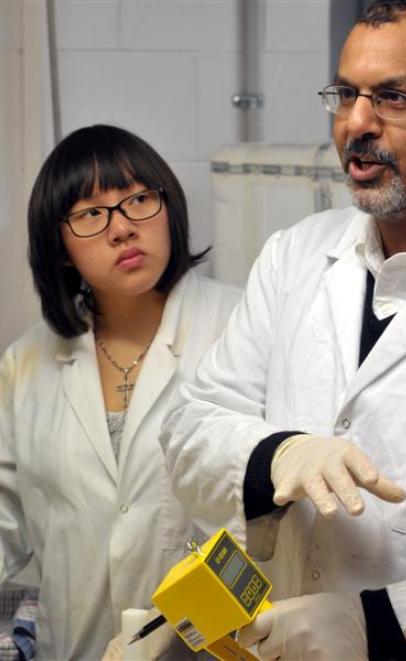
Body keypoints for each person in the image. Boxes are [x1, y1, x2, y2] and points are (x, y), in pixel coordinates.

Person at [160, 0, 406, 658]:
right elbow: (192, 426)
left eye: (393, 97)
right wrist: (272, 454)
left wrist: (383, 625)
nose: (356, 123)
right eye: (346, 94)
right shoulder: (295, 256)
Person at [0, 123, 240, 660]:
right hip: (73, 646)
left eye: (138, 200)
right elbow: (5, 518)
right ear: (59, 247)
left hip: (211, 649)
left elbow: (266, 528)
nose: (123, 229)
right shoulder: (26, 362)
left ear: (169, 207)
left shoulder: (241, 328)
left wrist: (188, 628)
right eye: (90, 214)